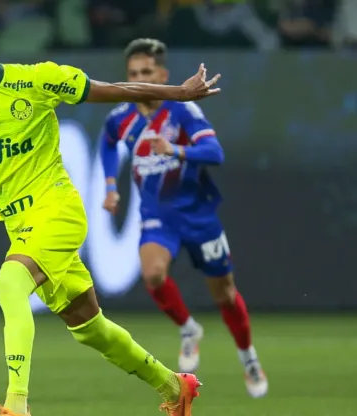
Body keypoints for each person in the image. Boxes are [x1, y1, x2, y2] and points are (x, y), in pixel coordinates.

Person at [0, 4, 221, 415]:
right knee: (91, 329)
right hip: (20, 224)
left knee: (9, 283)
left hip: (57, 209)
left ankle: (17, 405)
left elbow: (115, 90)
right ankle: (175, 386)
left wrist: (179, 92)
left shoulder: (35, 80)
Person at [100, 38, 267, 398]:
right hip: (157, 214)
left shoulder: (183, 112)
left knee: (224, 294)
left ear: (163, 74)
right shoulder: (122, 116)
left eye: (147, 72)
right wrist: (111, 185)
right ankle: (189, 328)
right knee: (153, 273)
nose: (140, 79)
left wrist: (174, 149)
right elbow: (107, 142)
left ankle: (248, 355)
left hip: (198, 215)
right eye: (133, 73)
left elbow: (214, 152)